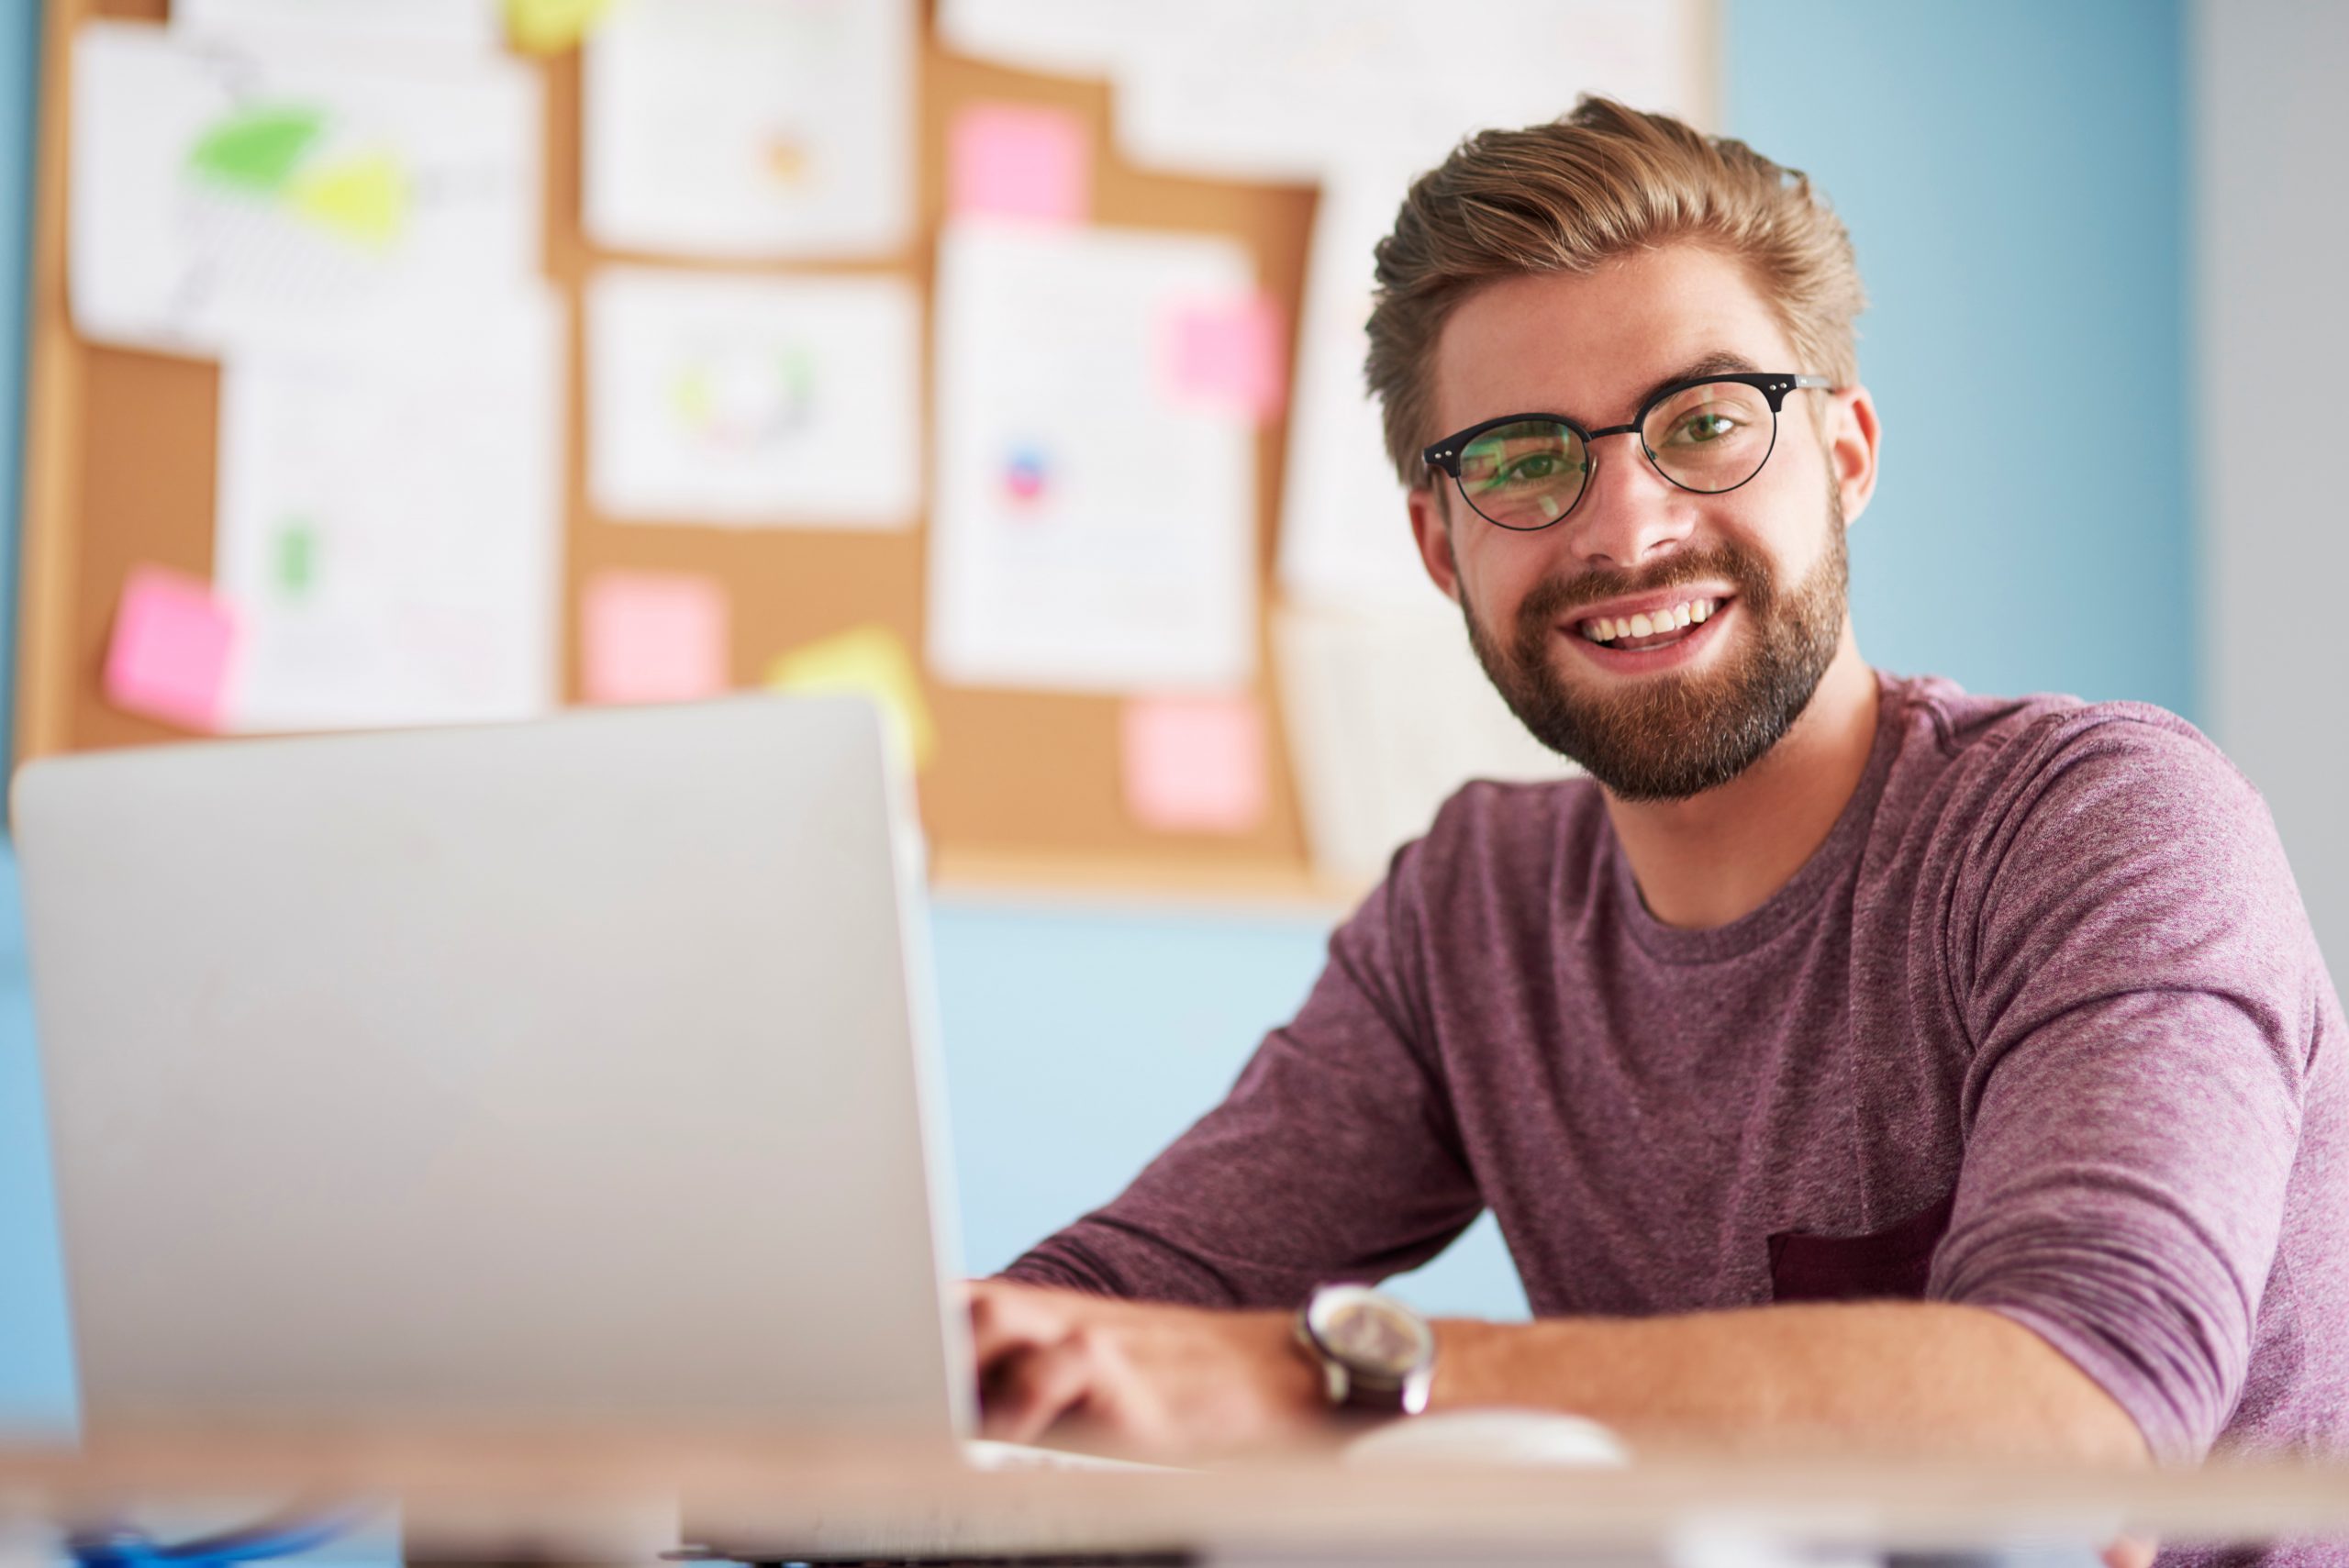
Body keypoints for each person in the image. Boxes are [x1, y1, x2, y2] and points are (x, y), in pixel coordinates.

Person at [968, 96, 2346, 1524]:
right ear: (1441, 545)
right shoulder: (1472, 916)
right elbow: (1120, 1308)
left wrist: (1336, 1382)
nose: (1625, 527)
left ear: (1847, 454)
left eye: (1703, 421)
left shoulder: (2104, 827)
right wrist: (894, 1375)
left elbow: (2079, 1406)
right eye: (1517, 458)